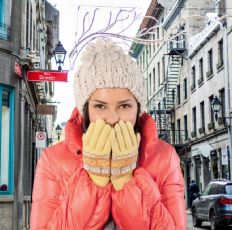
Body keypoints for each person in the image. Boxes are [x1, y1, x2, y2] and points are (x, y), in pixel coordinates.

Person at [30, 39, 186, 229]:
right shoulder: (53, 160)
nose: (112, 118)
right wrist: (94, 179)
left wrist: (126, 180)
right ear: (85, 110)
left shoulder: (165, 157)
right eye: (100, 106)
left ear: (138, 109)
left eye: (124, 105)